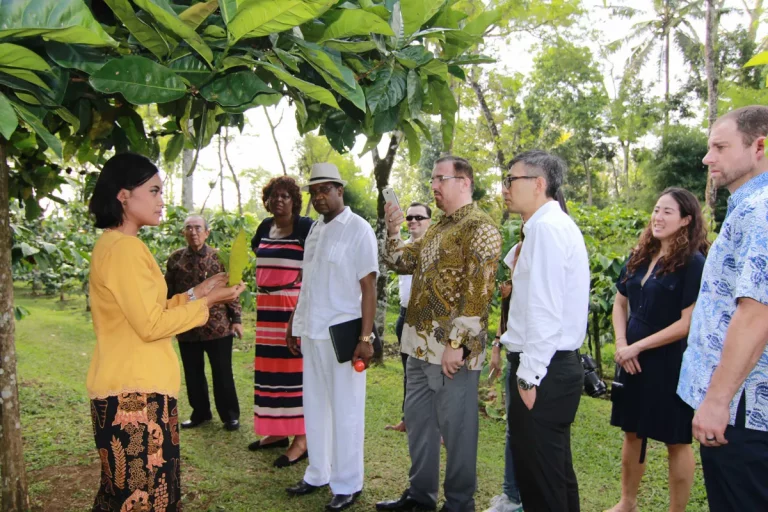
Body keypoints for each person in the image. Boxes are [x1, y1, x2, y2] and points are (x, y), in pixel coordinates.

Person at [86, 153, 244, 511]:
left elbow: (148, 312)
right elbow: (151, 325)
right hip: (134, 400)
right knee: (145, 501)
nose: (161, 200)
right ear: (124, 196)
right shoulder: (124, 249)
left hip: (134, 391)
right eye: (154, 191)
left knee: (126, 498)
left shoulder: (120, 245)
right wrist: (207, 303)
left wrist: (199, 292)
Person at [377, 156, 502, 512]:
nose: (433, 186)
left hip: (451, 354)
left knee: (459, 433)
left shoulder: (481, 228)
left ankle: (460, 504)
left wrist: (456, 345)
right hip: (417, 348)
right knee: (419, 426)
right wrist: (393, 232)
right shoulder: (438, 227)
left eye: (439, 179)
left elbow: (480, 292)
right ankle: (420, 496)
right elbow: (400, 261)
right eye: (432, 179)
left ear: (464, 182)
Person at [677, 105, 768, 511]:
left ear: (759, 146)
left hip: (742, 409)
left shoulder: (761, 210)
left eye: (720, 147)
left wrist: (717, 401)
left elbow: (757, 312)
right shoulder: (746, 206)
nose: (706, 157)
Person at [606, 188, 708, 512]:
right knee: (632, 432)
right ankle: (627, 502)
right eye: (655, 210)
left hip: (669, 363)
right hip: (632, 361)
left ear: (686, 220)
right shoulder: (639, 255)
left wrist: (638, 346)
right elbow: (620, 303)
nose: (657, 217)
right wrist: (623, 345)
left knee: (676, 440)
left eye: (667, 212)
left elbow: (688, 322)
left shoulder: (693, 263)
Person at [284, 163, 378, 512]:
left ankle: (348, 483)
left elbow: (368, 286)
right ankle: (317, 472)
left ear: (340, 189)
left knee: (347, 409)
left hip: (343, 334)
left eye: (326, 189)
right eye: (314, 191)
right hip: (312, 331)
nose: (320, 196)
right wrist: (295, 321)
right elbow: (308, 283)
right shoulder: (315, 231)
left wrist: (365, 337)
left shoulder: (359, 229)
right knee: (315, 406)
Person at [499, 150, 589, 512]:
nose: (505, 188)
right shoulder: (544, 226)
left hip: (544, 368)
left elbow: (545, 310)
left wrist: (528, 376)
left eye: (511, 180)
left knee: (541, 482)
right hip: (550, 366)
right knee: (554, 475)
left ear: (538, 184)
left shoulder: (548, 229)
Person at [484, 191, 567, 512]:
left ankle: (520, 497)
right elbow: (508, 310)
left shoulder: (554, 243)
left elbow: (546, 309)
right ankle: (511, 494)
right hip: (515, 350)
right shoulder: (520, 249)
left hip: (542, 357)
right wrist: (496, 344)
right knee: (514, 430)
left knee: (538, 437)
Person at [248, 176, 314, 467]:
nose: (280, 200)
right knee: (270, 373)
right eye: (275, 195)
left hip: (291, 309)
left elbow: (315, 266)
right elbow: (261, 256)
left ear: (295, 200)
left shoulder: (305, 227)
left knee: (293, 376)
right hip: (266, 310)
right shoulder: (264, 227)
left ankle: (302, 439)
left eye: (286, 196)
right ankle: (277, 432)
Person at [165, 215, 243, 432]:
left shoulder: (219, 258)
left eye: (198, 228)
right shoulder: (175, 259)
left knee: (222, 372)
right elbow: (168, 292)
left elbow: (232, 290)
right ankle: (200, 412)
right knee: (193, 372)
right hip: (187, 326)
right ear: (183, 233)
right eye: (188, 228)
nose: (193, 232)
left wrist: (236, 320)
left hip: (217, 326)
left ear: (207, 232)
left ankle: (230, 416)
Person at [385, 202, 432, 433]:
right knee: (409, 371)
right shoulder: (402, 249)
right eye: (410, 217)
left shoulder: (435, 248)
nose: (413, 220)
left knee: (433, 374)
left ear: (430, 221)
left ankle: (439, 426)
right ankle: (407, 419)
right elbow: (390, 259)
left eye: (419, 217)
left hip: (428, 318)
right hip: (405, 316)